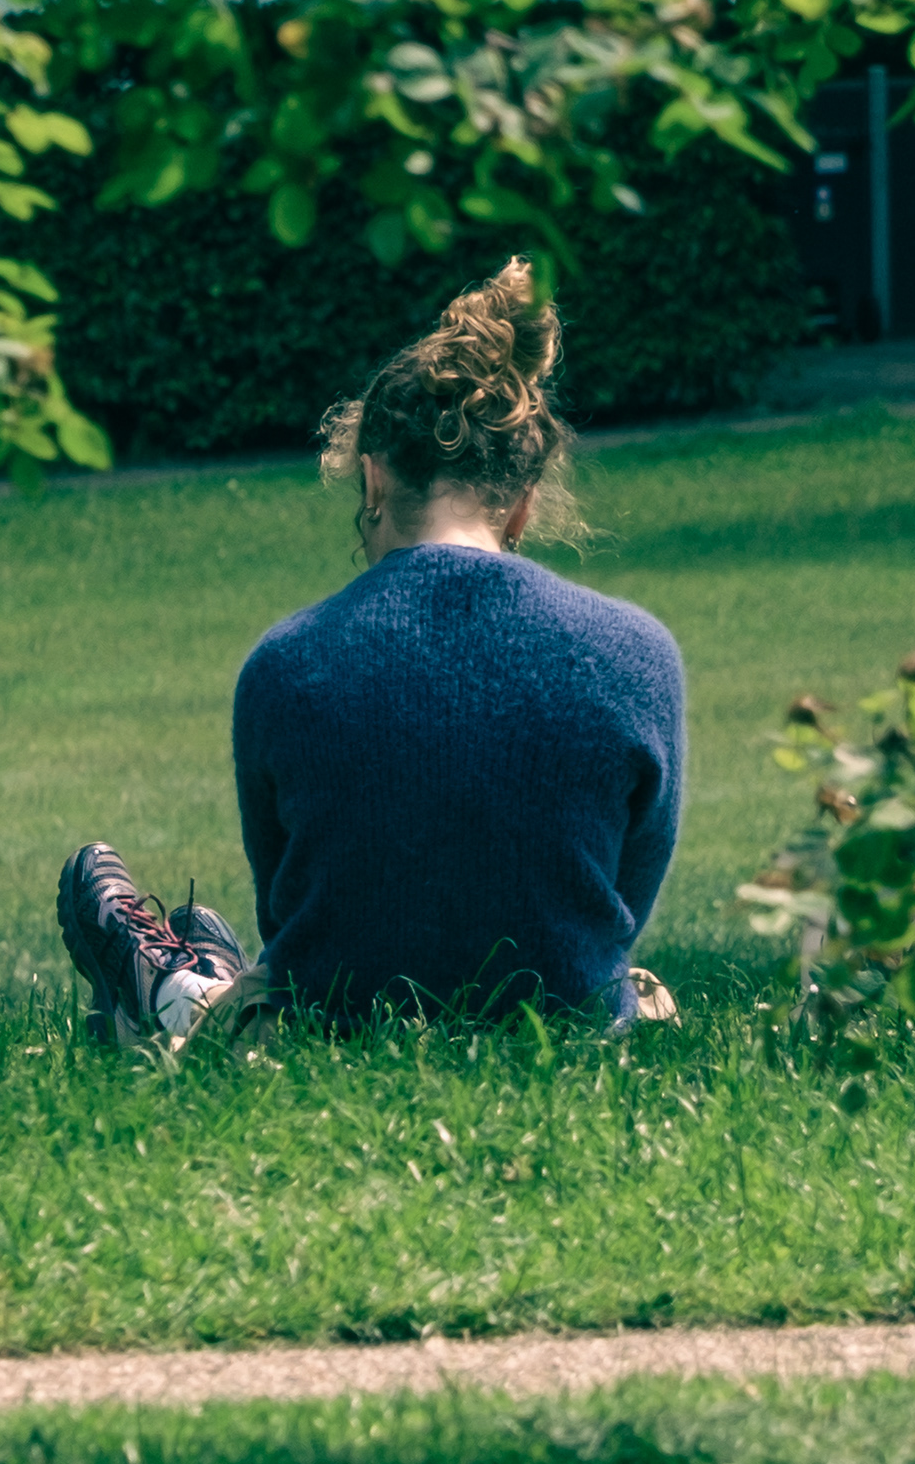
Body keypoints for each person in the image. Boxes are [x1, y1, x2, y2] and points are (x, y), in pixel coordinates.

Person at [57, 261, 686, 1045]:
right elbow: (621, 906)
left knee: (248, 995)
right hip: (563, 1027)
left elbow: (295, 909)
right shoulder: (639, 655)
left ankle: (173, 985)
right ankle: (191, 979)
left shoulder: (286, 664)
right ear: (524, 501)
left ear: (374, 477)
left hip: (335, 1028)